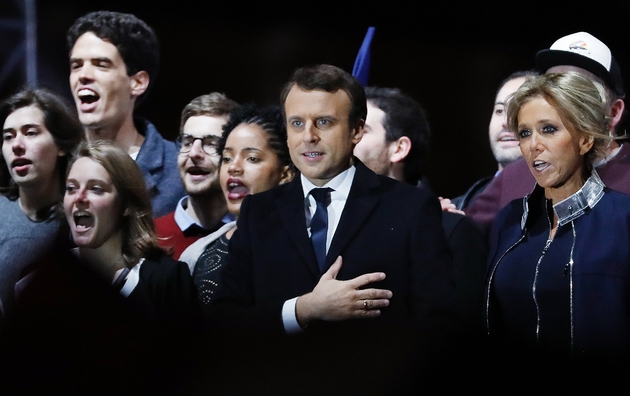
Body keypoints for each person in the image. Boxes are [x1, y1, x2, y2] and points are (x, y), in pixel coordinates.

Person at [204, 64, 459, 395]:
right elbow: (225, 322)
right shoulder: (259, 211)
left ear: (356, 131)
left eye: (323, 122)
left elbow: (438, 326)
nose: (308, 135)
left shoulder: (410, 208)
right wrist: (305, 308)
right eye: (297, 123)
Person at [2, 140, 201, 395]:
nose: (80, 198)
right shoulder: (38, 283)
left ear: (127, 205)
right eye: (71, 188)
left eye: (96, 189)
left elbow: (190, 375)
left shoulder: (164, 279)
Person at [484, 71, 630, 391]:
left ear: (585, 139)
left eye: (549, 129)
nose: (534, 145)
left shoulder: (623, 220)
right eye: (524, 133)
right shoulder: (509, 221)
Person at [464, 31, 630, 240]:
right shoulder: (514, 176)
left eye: (577, 91)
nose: (559, 99)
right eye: (552, 86)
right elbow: (463, 240)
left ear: (613, 112)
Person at [353, 85, 487, 337]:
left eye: (362, 130)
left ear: (399, 148)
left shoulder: (451, 231)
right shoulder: (324, 224)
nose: (346, 140)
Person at [67, 10, 185, 217]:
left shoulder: (179, 172)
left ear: (137, 82)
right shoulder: (55, 168)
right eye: (76, 66)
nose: (83, 76)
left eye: (101, 65)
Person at [178, 103, 294, 311]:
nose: (233, 167)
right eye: (226, 158)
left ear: (285, 174)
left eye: (252, 158)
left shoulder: (311, 244)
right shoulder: (197, 254)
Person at [0, 87, 83, 321]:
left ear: (62, 145)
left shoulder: (81, 221)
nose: (17, 145)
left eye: (30, 133)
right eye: (8, 136)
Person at [155, 92, 238, 259]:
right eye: (187, 142)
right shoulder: (149, 238)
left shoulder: (251, 236)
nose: (194, 153)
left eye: (211, 144)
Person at [449, 70, 537, 210]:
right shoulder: (460, 207)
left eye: (518, 110)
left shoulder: (563, 203)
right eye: (499, 111)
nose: (505, 122)